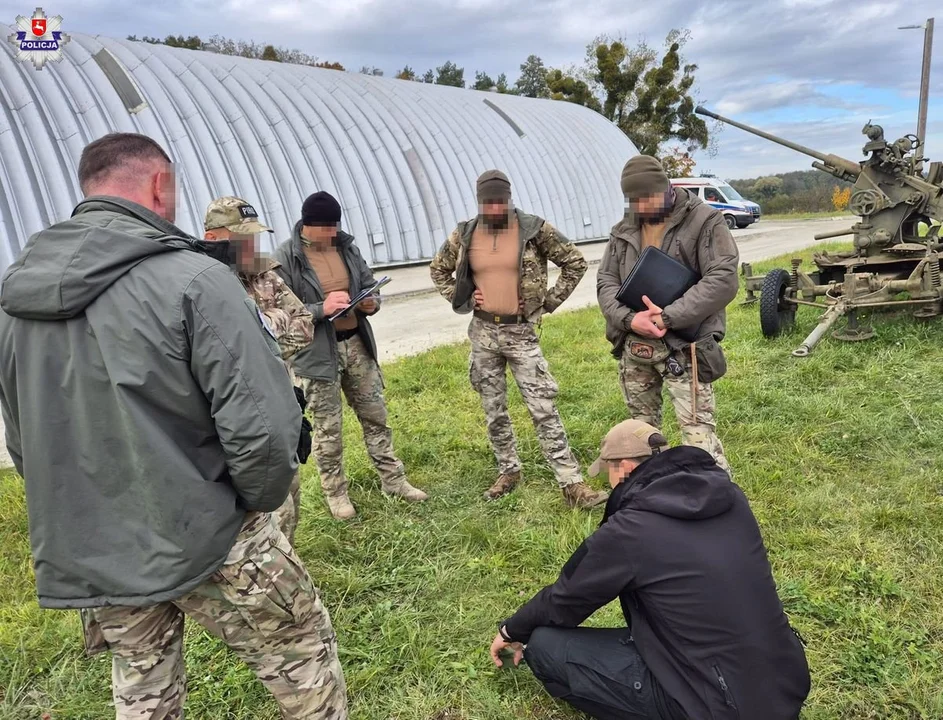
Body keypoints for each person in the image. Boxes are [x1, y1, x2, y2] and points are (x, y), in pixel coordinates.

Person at [0, 133, 347, 718]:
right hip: (209, 531)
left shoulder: (15, 295)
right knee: (303, 661)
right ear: (160, 184)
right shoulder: (194, 279)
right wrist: (254, 510)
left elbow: (24, 436)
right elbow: (262, 429)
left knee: (143, 689)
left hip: (99, 542)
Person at [489, 418, 811, 720]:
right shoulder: (732, 498)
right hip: (784, 681)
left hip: (719, 706)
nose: (610, 484)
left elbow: (566, 598)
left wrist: (511, 631)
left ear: (625, 467)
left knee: (545, 645)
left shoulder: (630, 530)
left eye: (608, 474)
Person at [429, 169, 607, 509]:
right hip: (482, 333)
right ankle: (508, 470)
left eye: (500, 202)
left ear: (509, 199)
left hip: (521, 333)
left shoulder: (533, 229)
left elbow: (575, 262)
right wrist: (461, 297)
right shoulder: (465, 233)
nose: (494, 209)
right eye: (488, 203)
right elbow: (438, 269)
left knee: (543, 407)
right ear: (479, 201)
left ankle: (571, 483)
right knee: (493, 408)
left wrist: (548, 301)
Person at [273, 191, 427, 521]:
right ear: (306, 226)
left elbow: (369, 283)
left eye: (335, 226)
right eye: (323, 228)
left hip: (356, 344)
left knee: (376, 416)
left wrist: (372, 301)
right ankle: (336, 493)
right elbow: (279, 312)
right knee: (329, 428)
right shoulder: (287, 257)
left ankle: (393, 479)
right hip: (316, 355)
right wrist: (319, 309)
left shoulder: (346, 247)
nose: (330, 233)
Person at [597, 155, 739, 475]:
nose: (643, 207)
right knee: (640, 434)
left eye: (649, 198)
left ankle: (718, 506)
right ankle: (652, 499)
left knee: (698, 440)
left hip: (685, 346)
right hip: (637, 346)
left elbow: (723, 279)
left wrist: (667, 317)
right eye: (635, 200)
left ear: (667, 188)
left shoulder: (705, 221)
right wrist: (630, 319)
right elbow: (606, 281)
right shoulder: (624, 228)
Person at [203, 194, 315, 544]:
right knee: (260, 514)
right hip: (239, 418)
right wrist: (268, 325)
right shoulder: (202, 283)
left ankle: (286, 572)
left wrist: (266, 331)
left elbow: (306, 326)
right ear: (213, 239)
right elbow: (221, 353)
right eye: (242, 237)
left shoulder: (264, 273)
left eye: (253, 236)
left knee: (290, 495)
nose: (250, 245)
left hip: (280, 403)